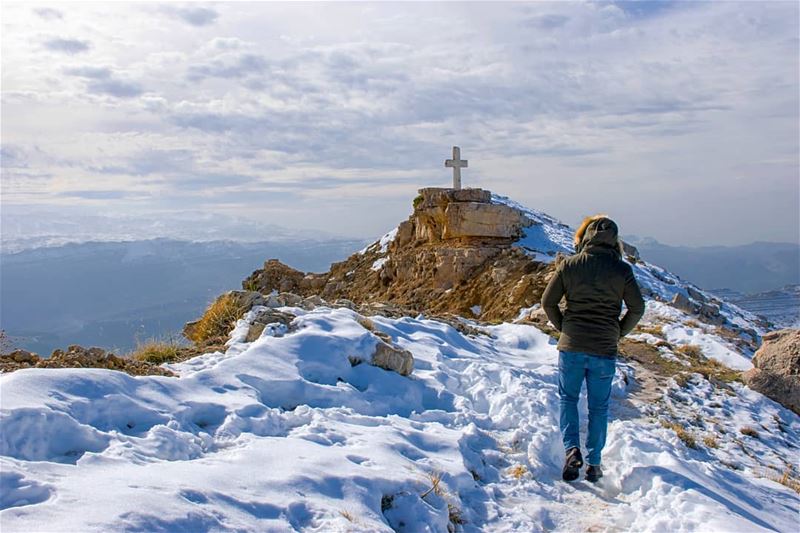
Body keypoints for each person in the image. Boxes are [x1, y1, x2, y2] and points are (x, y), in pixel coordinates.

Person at [541, 215, 645, 483]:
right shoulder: (622, 271)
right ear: (615, 240)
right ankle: (595, 464)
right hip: (604, 348)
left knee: (569, 399)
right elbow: (637, 308)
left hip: (572, 345)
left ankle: (572, 450)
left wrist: (565, 327)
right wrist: (619, 331)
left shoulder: (570, 265)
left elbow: (548, 302)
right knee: (599, 407)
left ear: (586, 236)